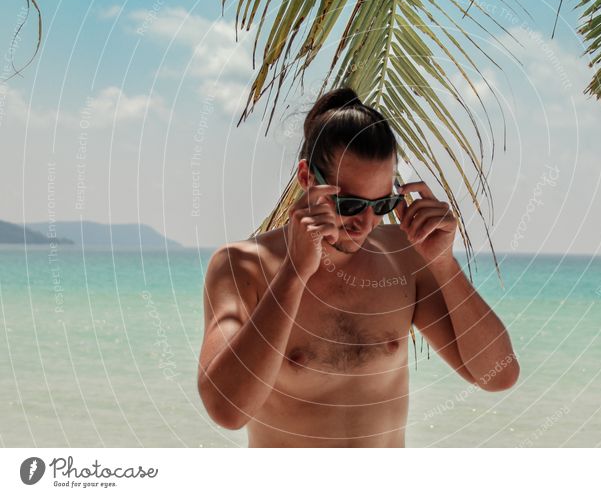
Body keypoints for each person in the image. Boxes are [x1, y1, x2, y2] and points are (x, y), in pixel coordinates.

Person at [197, 87, 519, 447]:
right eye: (349, 204)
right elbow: (226, 411)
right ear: (306, 177)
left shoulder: (404, 257)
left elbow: (498, 375)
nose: (365, 223)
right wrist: (294, 273)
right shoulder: (242, 266)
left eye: (382, 204)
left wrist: (443, 265)